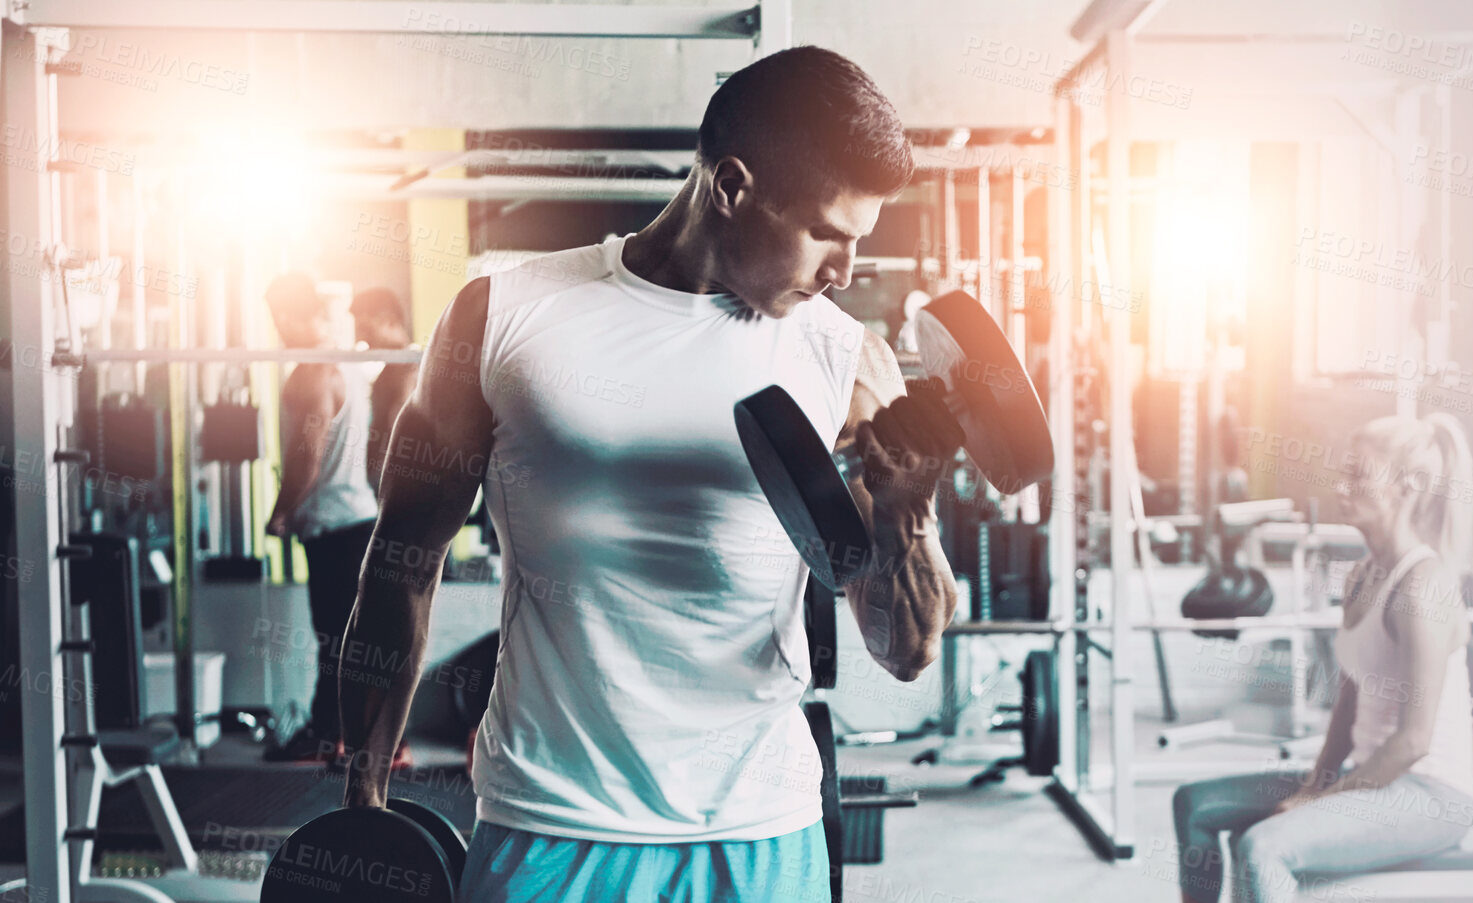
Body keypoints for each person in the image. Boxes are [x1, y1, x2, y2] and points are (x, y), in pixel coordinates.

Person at [336, 47, 960, 902]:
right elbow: (403, 556)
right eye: (827, 233)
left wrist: (906, 515)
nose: (844, 272)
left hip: (760, 831)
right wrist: (362, 796)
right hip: (553, 825)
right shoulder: (505, 320)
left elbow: (906, 651)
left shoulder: (848, 362)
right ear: (732, 187)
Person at [1172, 413, 1473, 903]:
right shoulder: (1362, 575)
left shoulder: (1423, 588)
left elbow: (1412, 742)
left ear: (1406, 489)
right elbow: (1348, 702)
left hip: (1429, 797)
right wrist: (1318, 779)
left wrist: (1317, 800)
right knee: (1194, 804)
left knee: (1262, 848)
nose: (1343, 487)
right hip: (1370, 777)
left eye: (1359, 477)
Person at [262, 273, 412, 769]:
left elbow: (307, 451)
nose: (280, 326)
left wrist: (281, 511)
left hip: (335, 523)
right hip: (352, 518)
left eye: (282, 316)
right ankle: (346, 737)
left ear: (294, 314)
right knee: (351, 637)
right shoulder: (346, 366)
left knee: (338, 638)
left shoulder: (313, 372)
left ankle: (336, 737)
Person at [349, 286, 418, 495]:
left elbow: (401, 437)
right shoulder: (387, 373)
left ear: (389, 321)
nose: (362, 338)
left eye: (366, 329)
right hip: (380, 492)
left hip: (400, 494)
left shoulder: (413, 370)